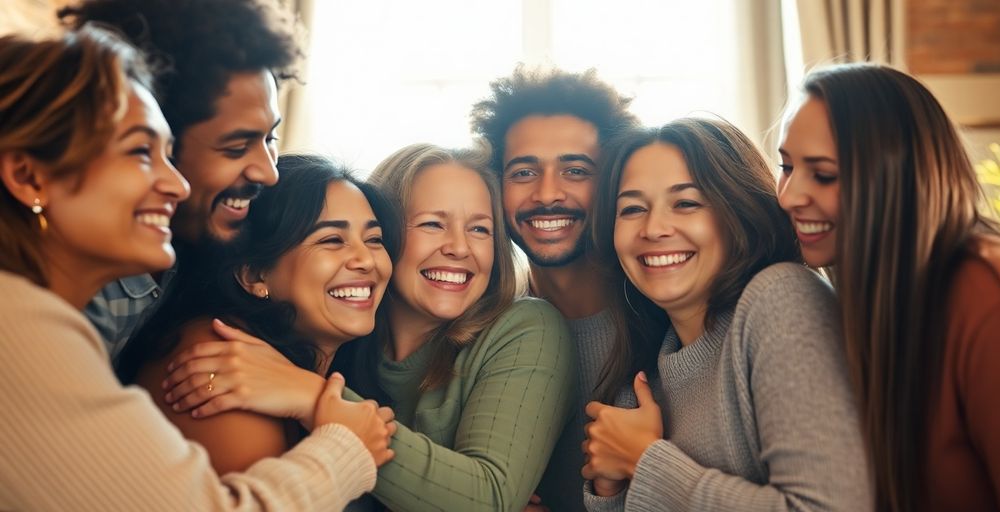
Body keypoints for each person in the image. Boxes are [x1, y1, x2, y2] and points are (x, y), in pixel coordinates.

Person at [0, 28, 385, 511]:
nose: (175, 183)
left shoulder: (163, 280)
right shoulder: (17, 325)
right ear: (28, 175)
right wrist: (344, 445)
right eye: (142, 152)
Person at [161, 143, 577, 511]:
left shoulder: (524, 326)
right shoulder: (321, 343)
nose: (459, 246)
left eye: (480, 229)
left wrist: (313, 396)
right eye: (432, 223)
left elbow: (488, 498)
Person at [581, 118, 871, 510]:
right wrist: (609, 488)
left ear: (737, 213)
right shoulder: (644, 377)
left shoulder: (781, 298)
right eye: (632, 208)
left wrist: (644, 461)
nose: (654, 228)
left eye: (686, 203)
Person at [776, 63, 1000, 512]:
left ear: (894, 177)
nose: (789, 195)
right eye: (786, 166)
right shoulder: (865, 296)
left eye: (824, 174)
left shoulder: (990, 296)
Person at [115, 154, 398, 475]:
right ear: (254, 276)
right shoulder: (216, 360)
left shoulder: (321, 367)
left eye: (374, 240)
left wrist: (314, 397)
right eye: (332, 240)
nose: (366, 260)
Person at [59, 0, 302, 356]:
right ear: (154, 139)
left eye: (270, 139)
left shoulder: (219, 244)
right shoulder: (72, 283)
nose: (268, 173)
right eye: (236, 148)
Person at [470, 66, 638, 511]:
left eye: (576, 171)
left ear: (614, 182)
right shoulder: (481, 330)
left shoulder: (662, 320)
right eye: (523, 173)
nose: (547, 194)